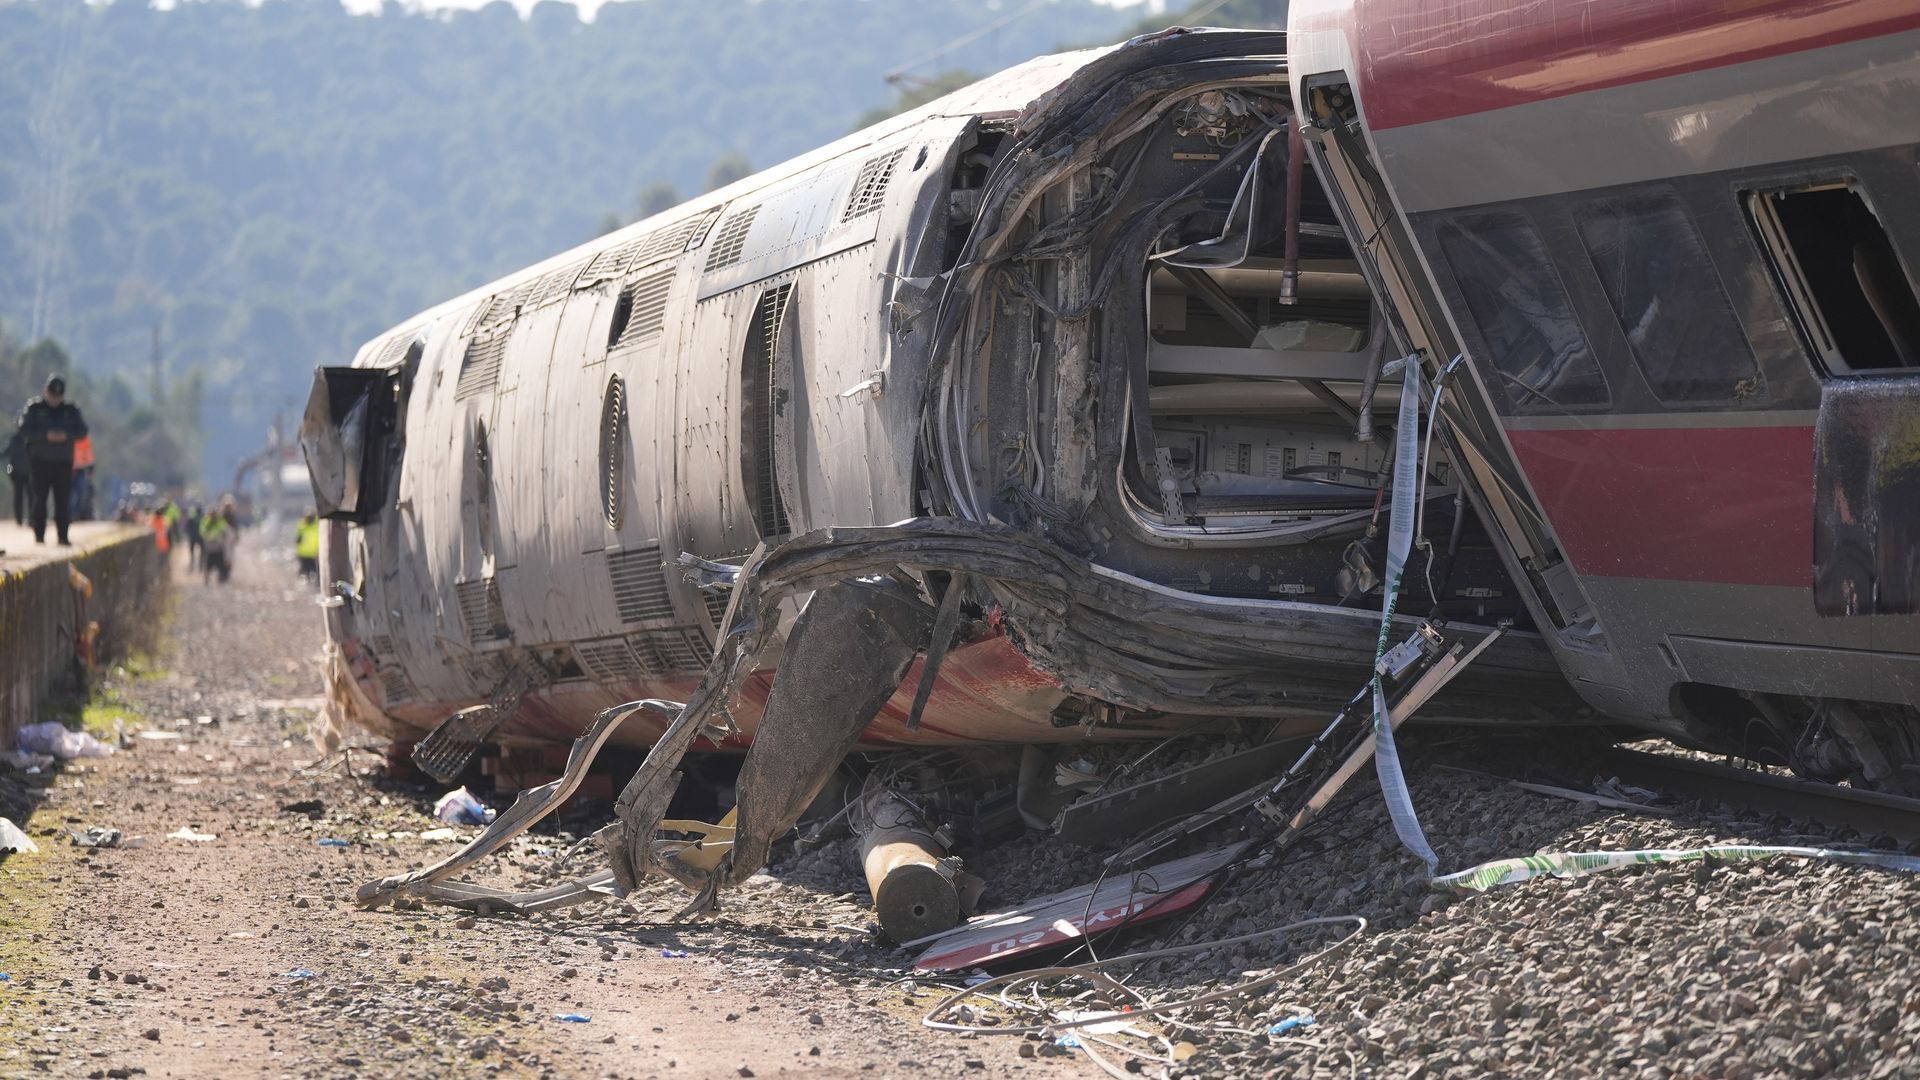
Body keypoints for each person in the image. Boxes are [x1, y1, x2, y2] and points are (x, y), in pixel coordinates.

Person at [16, 375, 88, 545]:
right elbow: (23, 428)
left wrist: (66, 436)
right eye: (52, 395)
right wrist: (46, 436)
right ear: (45, 391)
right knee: (39, 499)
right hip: (40, 462)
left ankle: (63, 536)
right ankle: (39, 535)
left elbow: (83, 430)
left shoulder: (71, 410)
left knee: (63, 500)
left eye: (58, 396)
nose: (55, 399)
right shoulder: (34, 408)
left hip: (63, 462)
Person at [70, 433, 95, 521]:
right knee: (67, 495)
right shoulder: (65, 432)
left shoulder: (84, 438)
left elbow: (88, 453)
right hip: (65, 470)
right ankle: (70, 514)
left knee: (81, 493)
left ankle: (78, 514)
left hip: (80, 470)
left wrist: (91, 467)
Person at [4, 427, 27, 526]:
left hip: (19, 473)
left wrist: (10, 472)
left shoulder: (13, 440)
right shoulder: (30, 438)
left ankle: (19, 519)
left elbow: (7, 457)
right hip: (26, 473)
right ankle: (29, 519)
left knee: (19, 497)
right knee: (30, 496)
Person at [295, 510, 321, 586]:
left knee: (315, 571)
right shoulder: (302, 525)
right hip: (303, 554)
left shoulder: (317, 525)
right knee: (305, 571)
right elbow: (298, 538)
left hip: (314, 554)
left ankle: (315, 586)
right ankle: (306, 586)